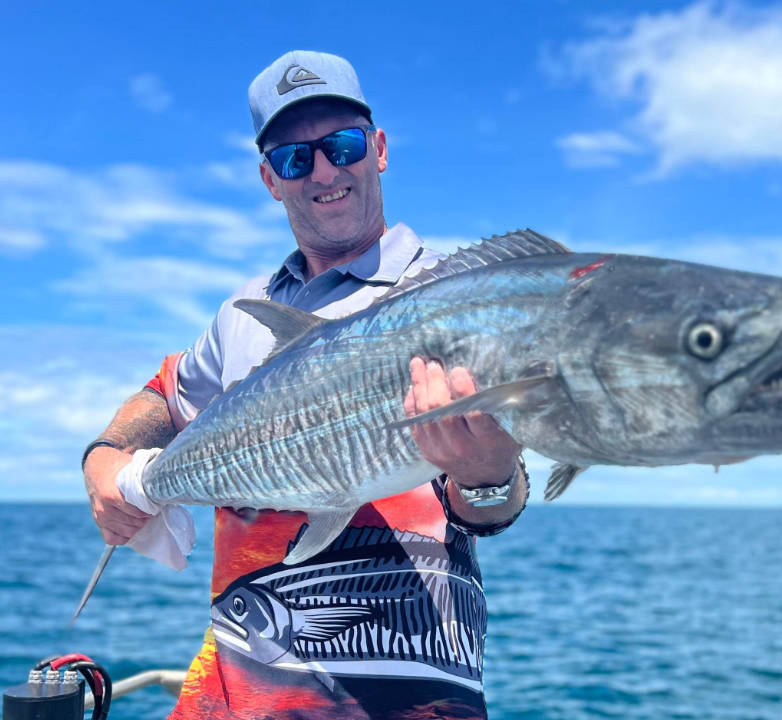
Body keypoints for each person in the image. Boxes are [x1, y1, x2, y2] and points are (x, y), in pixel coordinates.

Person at [81, 50, 528, 720]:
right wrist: (105, 459)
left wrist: (491, 475)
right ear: (270, 178)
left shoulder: (453, 295)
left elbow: (492, 504)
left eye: (342, 146)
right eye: (296, 158)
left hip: (407, 699)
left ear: (377, 150)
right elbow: (163, 397)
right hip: (230, 696)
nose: (324, 171)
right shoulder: (244, 314)